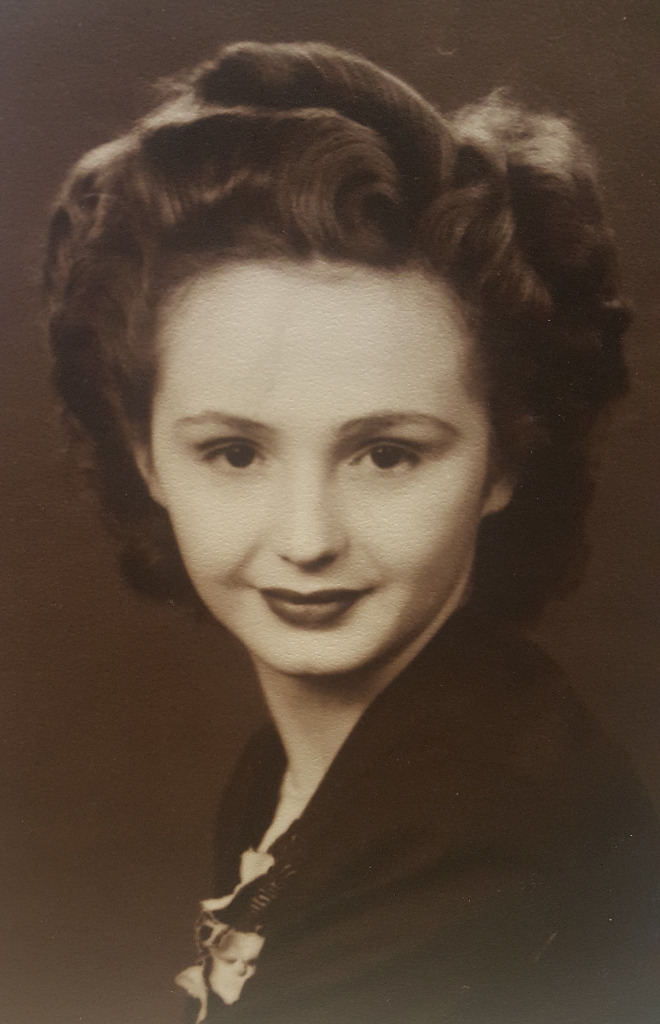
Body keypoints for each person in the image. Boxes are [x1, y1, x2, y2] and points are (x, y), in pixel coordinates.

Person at [44, 41, 659, 1024]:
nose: (307, 538)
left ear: (506, 459)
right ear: (146, 456)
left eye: (386, 454)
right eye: (234, 452)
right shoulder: (301, 771)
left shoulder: (478, 839)